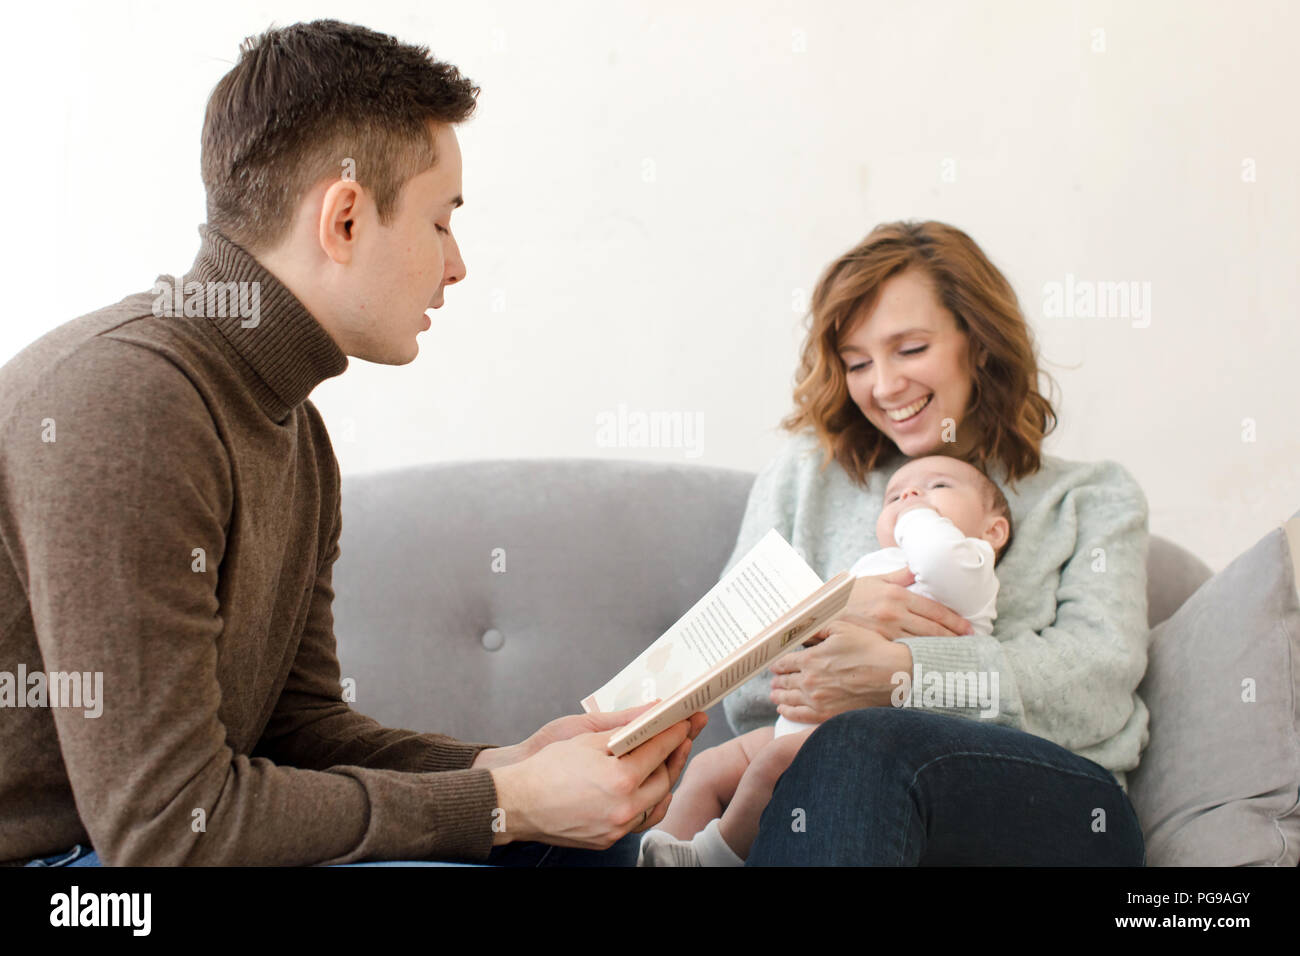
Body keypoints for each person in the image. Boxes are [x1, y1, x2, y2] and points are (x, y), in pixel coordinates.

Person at [0, 19, 707, 868]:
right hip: (75, 877)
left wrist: (498, 768)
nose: (458, 265)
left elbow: (300, 732)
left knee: (574, 846)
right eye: (441, 223)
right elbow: (166, 830)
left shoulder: (294, 430)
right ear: (343, 219)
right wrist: (502, 804)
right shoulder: (129, 406)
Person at [724, 220, 1149, 865]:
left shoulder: (1090, 498)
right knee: (847, 754)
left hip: (1049, 805)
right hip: (823, 797)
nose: (885, 386)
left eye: (910, 349)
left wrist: (906, 676)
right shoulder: (804, 479)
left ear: (977, 343)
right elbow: (736, 683)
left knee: (864, 739)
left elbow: (1096, 688)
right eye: (858, 362)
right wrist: (831, 611)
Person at [637, 454, 1012, 865]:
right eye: (893, 496)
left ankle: (712, 855)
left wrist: (913, 515)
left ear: (993, 530)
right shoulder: (873, 566)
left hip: (866, 741)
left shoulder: (971, 565)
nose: (909, 493)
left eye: (938, 485)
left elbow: (940, 556)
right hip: (798, 723)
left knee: (776, 762)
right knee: (711, 765)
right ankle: (659, 856)